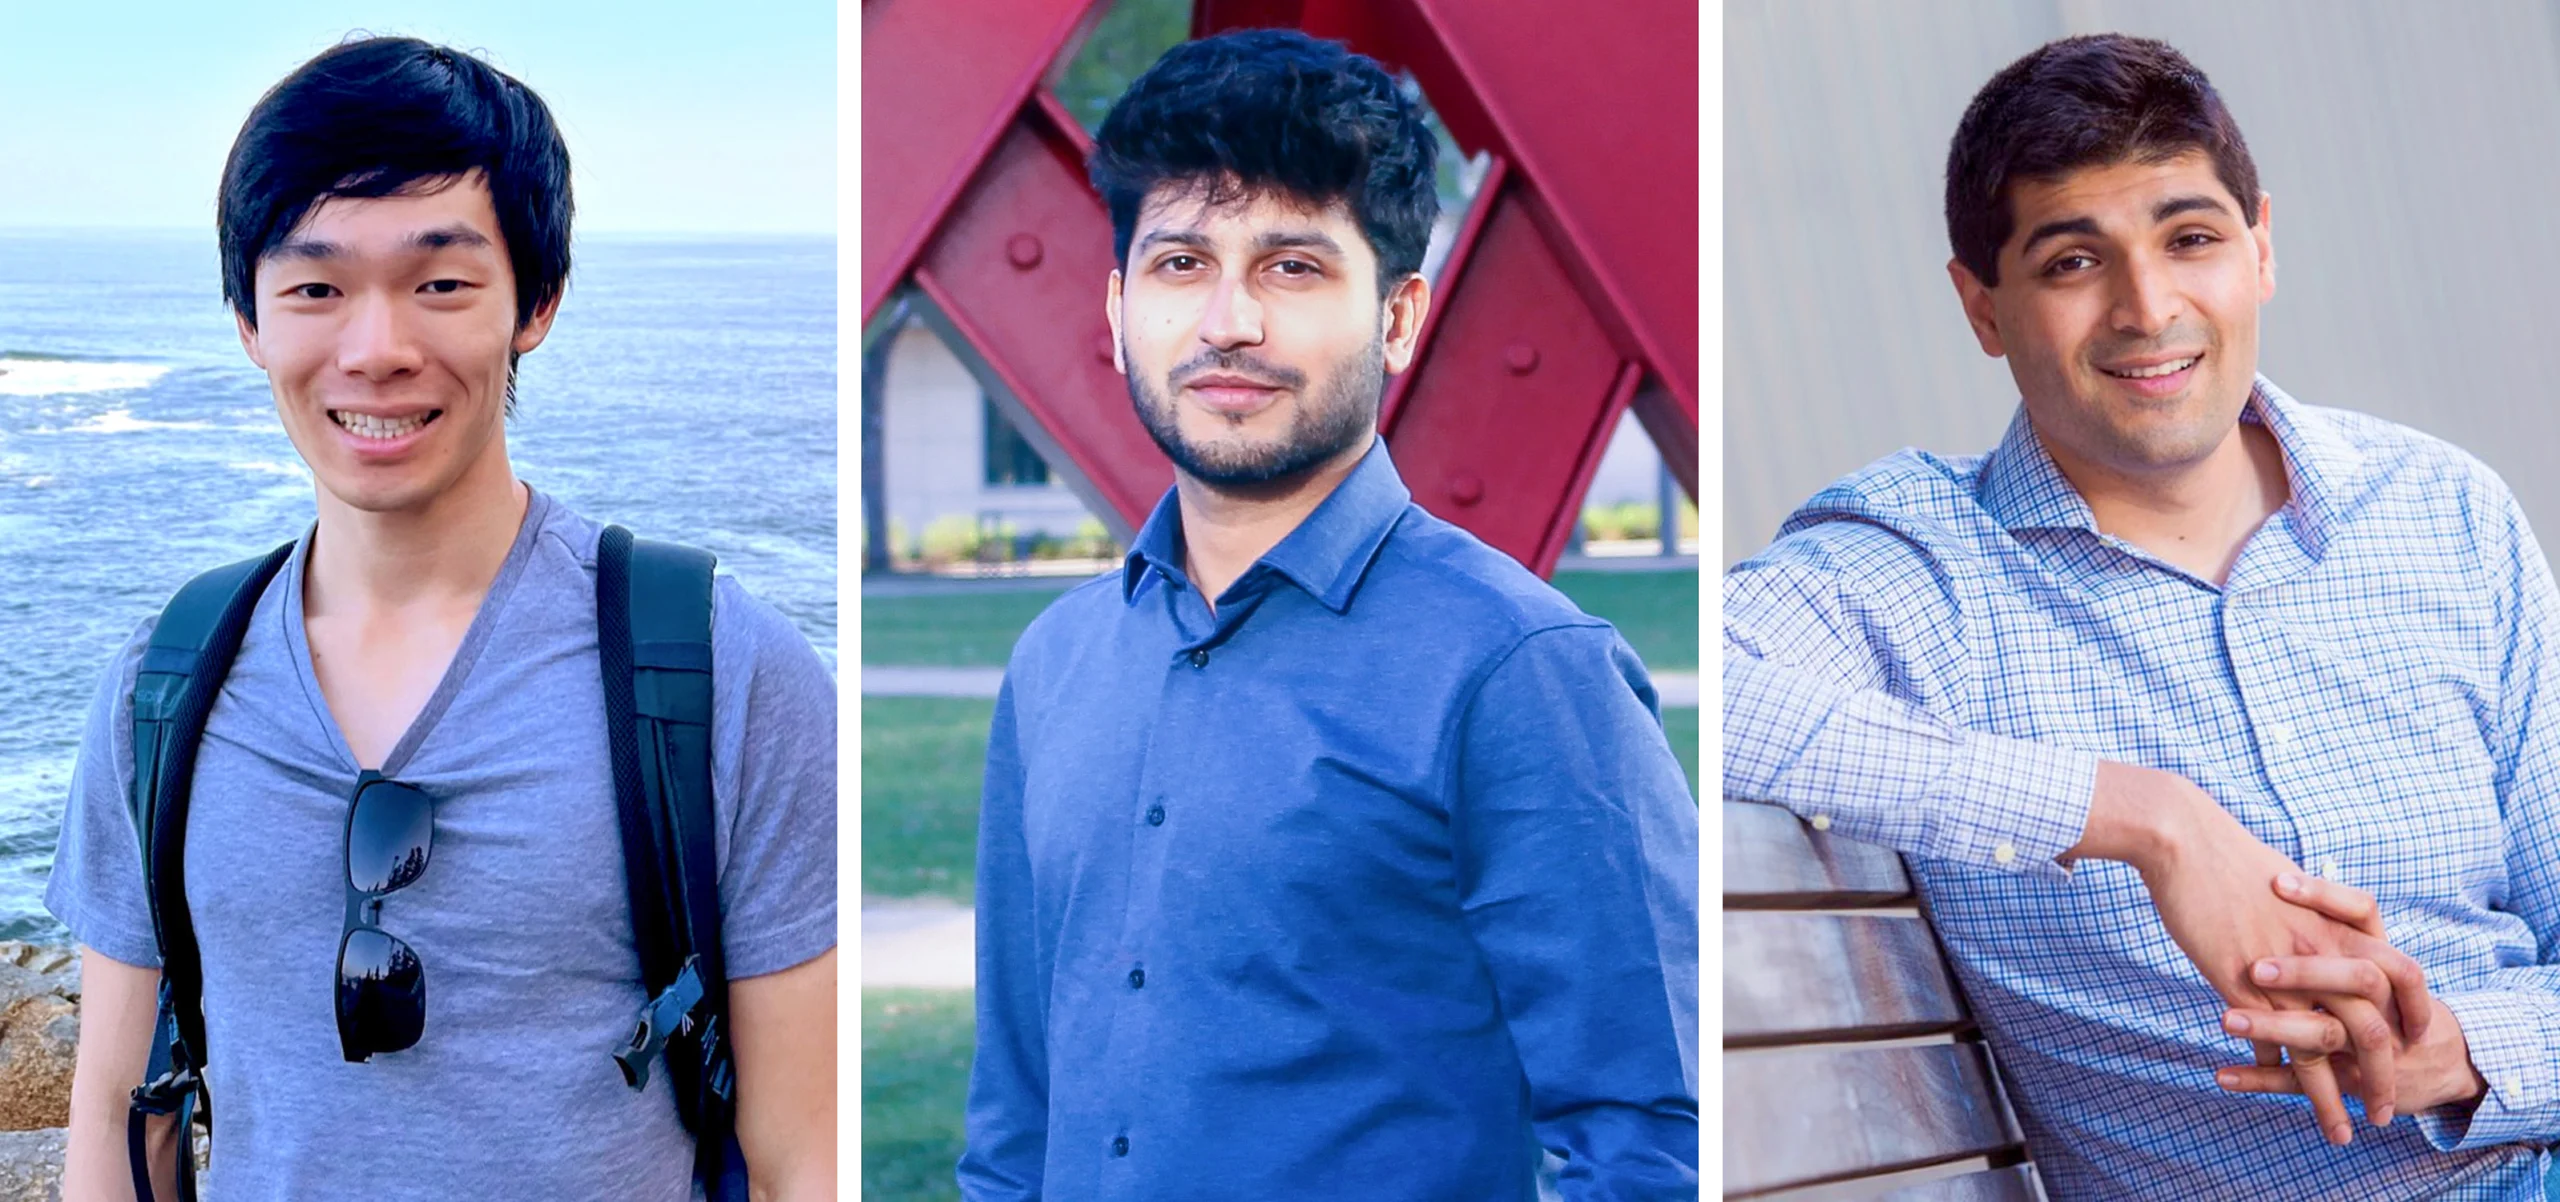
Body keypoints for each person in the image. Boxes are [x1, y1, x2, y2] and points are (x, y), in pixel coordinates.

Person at [1721, 31, 2560, 1200]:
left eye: (2191, 239)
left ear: (2259, 246)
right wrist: (2146, 818)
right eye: (2072, 261)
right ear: (1982, 305)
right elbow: (1714, 693)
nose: (2146, 306)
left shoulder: (2441, 511)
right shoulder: (1916, 564)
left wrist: (2463, 1048)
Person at [44, 36, 840, 1201]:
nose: (377, 349)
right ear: (249, 320)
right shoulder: (166, 682)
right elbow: (122, 1133)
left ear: (538, 301)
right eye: (315, 286)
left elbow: (800, 1157)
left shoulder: (720, 668)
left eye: (441, 283)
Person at [956, 28, 1704, 1202]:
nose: (1227, 322)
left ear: (1399, 316)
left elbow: (1655, 1140)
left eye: (1292, 267)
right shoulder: (1054, 664)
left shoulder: (1518, 667)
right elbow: (1015, 1114)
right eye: (1181, 264)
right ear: (1116, 306)